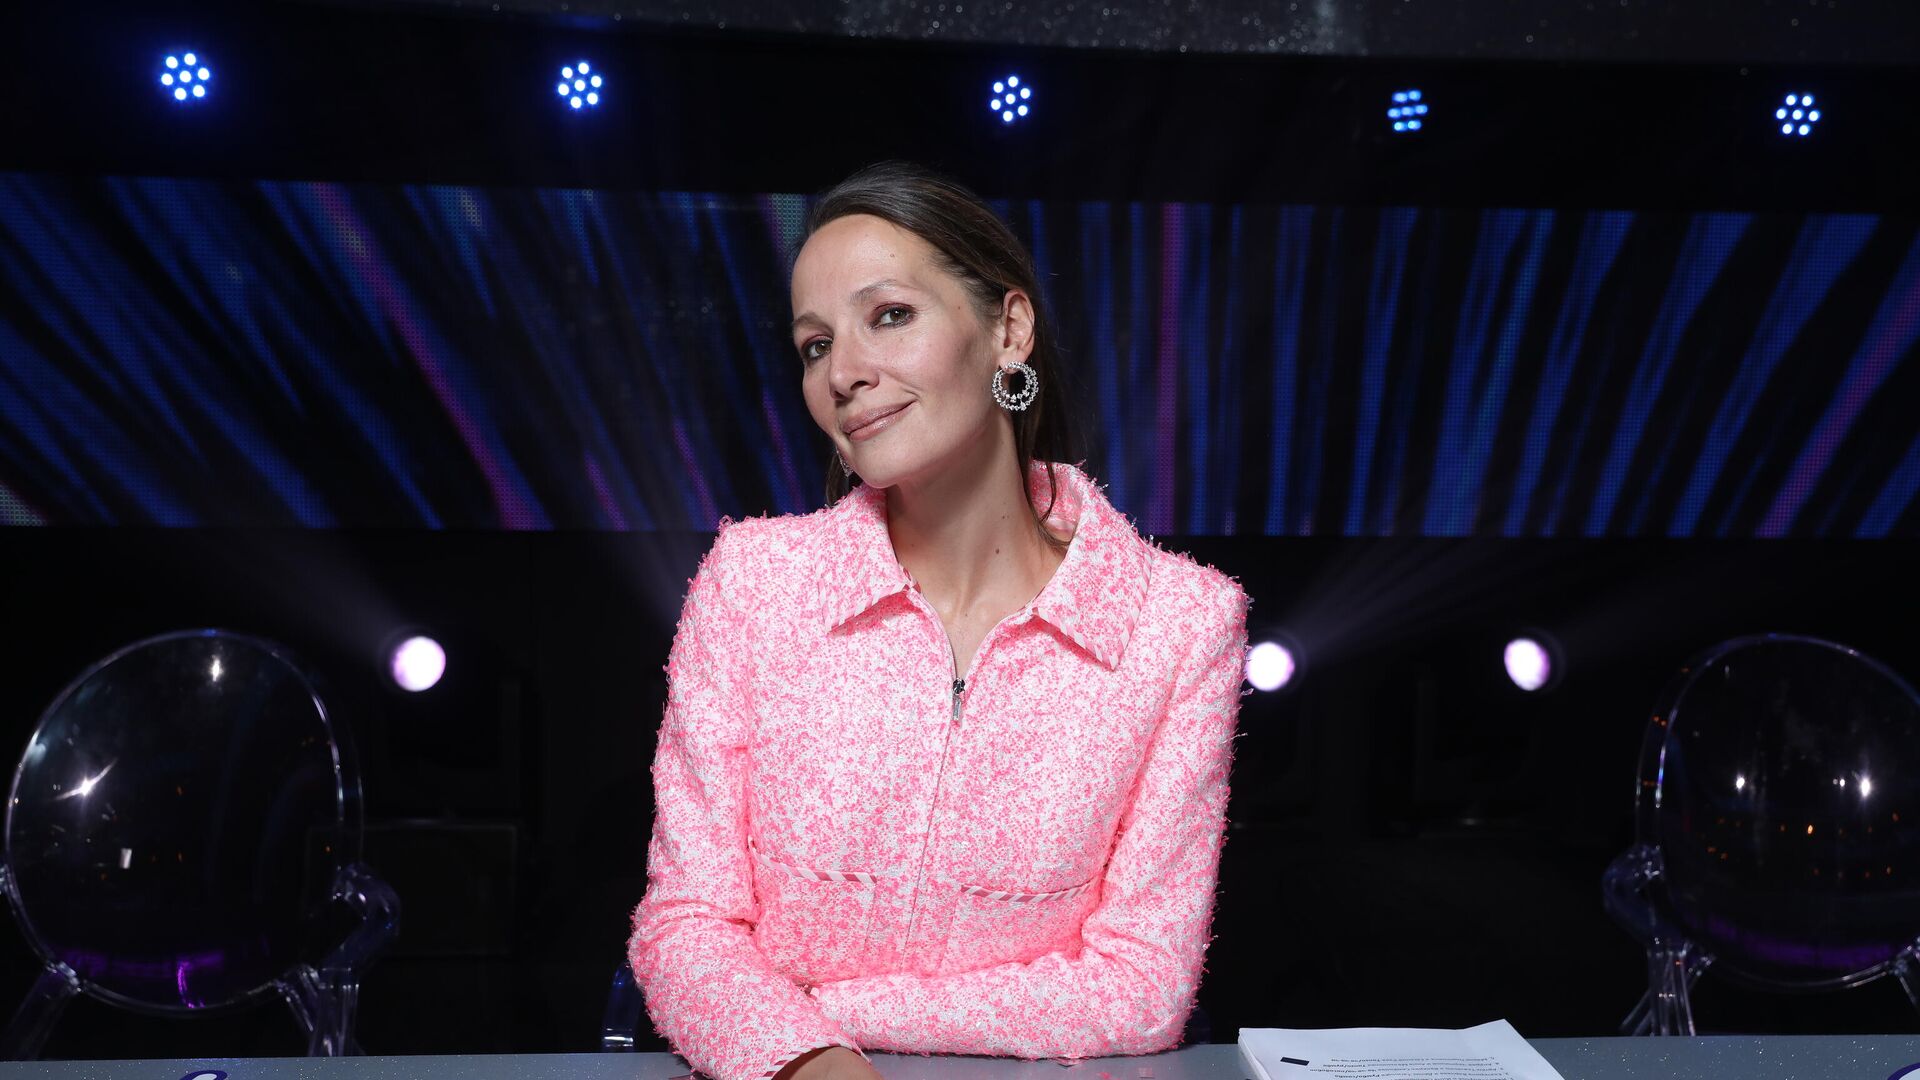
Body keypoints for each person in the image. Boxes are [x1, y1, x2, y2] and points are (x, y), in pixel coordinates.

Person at [627, 161, 1250, 1080]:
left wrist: (829, 1013)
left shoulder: (1180, 626)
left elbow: (1142, 986)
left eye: (889, 316)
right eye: (813, 345)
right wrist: (808, 1060)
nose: (843, 373)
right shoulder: (754, 585)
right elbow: (686, 925)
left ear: (1008, 330)